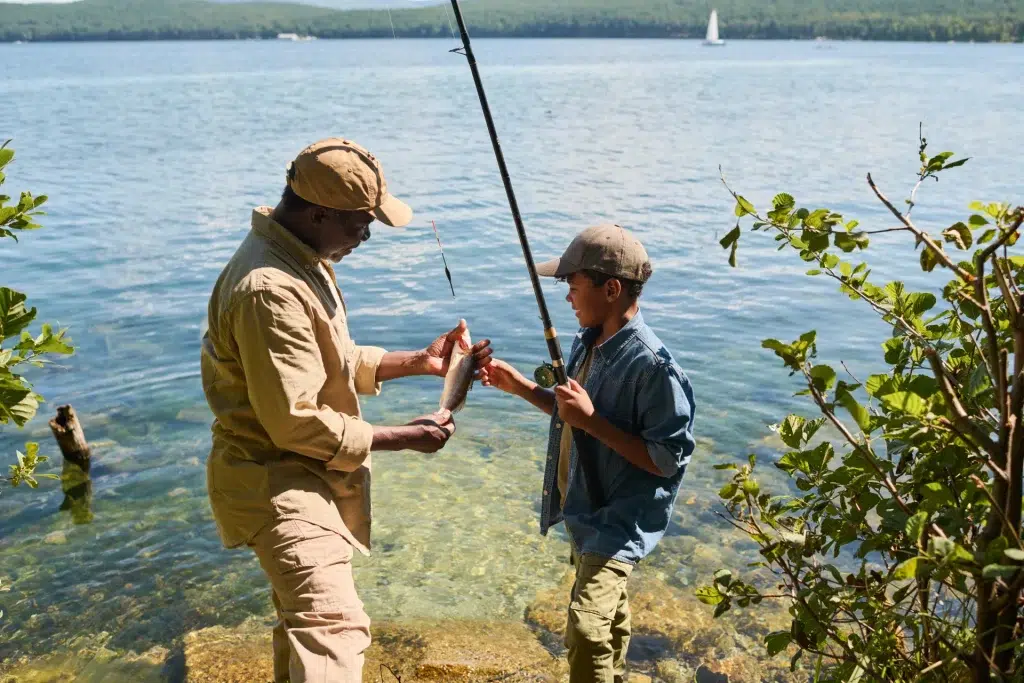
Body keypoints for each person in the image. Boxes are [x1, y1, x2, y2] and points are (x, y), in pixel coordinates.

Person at [200, 137, 492, 683]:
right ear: (318, 213)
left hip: (297, 474)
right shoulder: (271, 288)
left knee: (304, 624)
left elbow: (323, 363)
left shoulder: (297, 259)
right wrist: (409, 436)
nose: (367, 236)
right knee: (336, 628)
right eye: (362, 224)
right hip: (276, 483)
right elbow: (295, 421)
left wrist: (419, 361)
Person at [481, 224, 695, 683]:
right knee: (609, 617)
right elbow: (569, 415)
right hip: (583, 505)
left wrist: (593, 421)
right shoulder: (588, 340)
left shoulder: (655, 368)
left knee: (585, 626)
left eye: (574, 287)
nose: (568, 298)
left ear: (612, 289)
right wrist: (518, 386)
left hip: (619, 517)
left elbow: (667, 459)